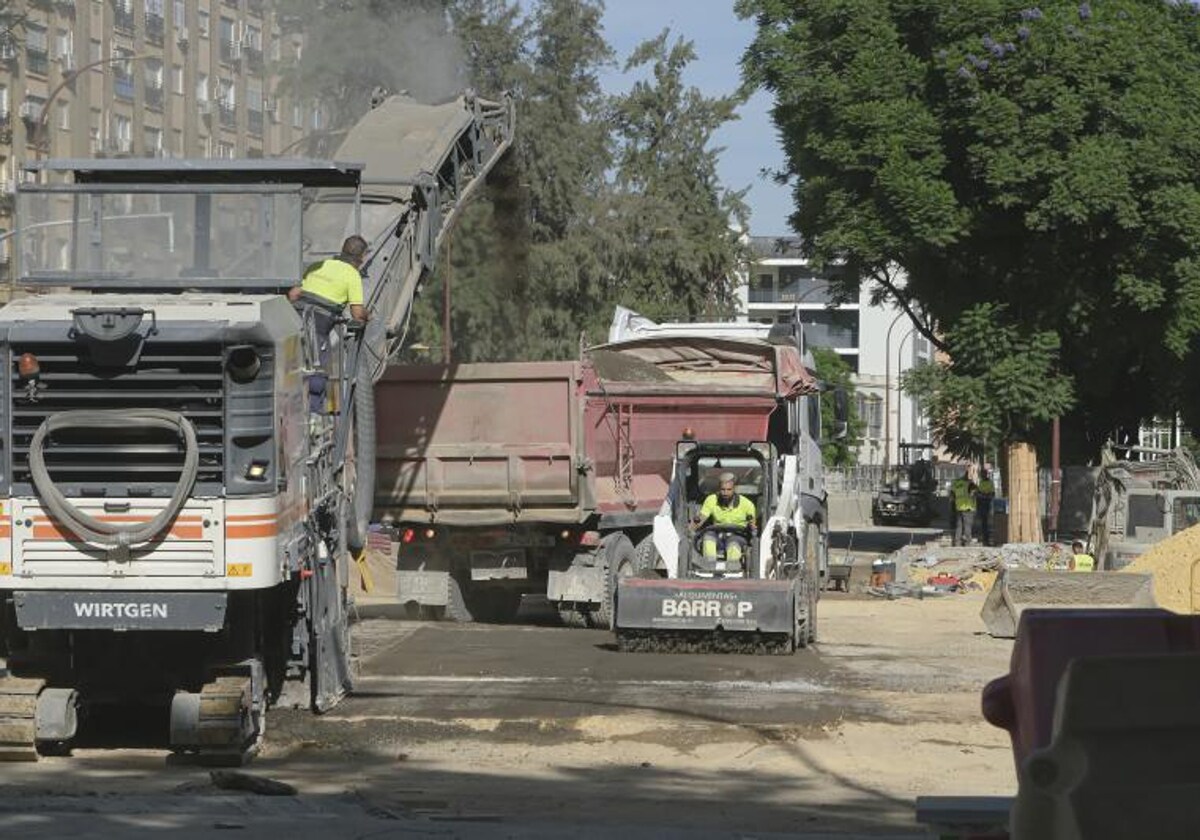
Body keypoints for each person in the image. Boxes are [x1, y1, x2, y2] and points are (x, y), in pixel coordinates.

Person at [287, 235, 371, 413]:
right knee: (318, 371)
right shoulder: (353, 275)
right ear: (362, 258)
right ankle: (313, 416)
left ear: (342, 250)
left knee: (290, 367)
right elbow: (357, 313)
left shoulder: (320, 264)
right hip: (317, 325)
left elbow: (293, 294)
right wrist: (366, 315)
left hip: (294, 318)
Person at [692, 472, 757, 571]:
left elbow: (752, 525)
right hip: (718, 535)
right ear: (719, 489)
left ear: (734, 489)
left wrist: (752, 526)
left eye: (729, 490)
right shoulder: (711, 500)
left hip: (738, 536)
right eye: (723, 489)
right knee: (708, 536)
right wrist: (692, 527)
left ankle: (733, 569)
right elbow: (701, 518)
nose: (725, 493)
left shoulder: (747, 505)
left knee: (733, 543)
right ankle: (709, 567)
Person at [950, 467, 977, 547]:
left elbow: (952, 495)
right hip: (968, 507)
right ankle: (967, 542)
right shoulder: (969, 483)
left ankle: (957, 542)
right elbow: (974, 494)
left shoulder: (956, 483)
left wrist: (952, 506)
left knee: (959, 526)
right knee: (967, 526)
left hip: (958, 507)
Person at [976, 469, 996, 546]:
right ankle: (984, 539)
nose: (982, 475)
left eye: (983, 474)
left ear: (986, 474)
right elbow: (979, 492)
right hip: (981, 504)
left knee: (987, 523)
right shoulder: (980, 482)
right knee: (983, 523)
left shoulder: (990, 482)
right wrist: (982, 494)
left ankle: (987, 540)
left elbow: (992, 494)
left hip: (987, 504)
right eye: (981, 474)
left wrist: (983, 495)